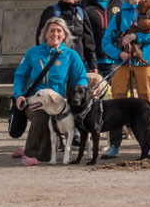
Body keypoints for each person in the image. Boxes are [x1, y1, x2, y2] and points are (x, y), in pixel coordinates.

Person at [11, 16, 91, 164]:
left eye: (59, 31)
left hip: (59, 104)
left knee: (46, 157)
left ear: (64, 34)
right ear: (45, 33)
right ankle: (28, 154)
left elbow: (81, 77)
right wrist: (19, 95)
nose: (55, 34)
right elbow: (20, 75)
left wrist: (79, 95)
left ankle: (28, 148)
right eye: (51, 30)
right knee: (41, 115)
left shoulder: (71, 55)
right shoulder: (33, 52)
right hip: (36, 101)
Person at [101, 0, 150, 109]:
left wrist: (136, 36)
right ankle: (119, 129)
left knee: (146, 100)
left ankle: (147, 129)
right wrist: (119, 54)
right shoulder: (120, 14)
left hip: (146, 61)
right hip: (122, 63)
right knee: (118, 98)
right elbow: (106, 42)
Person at [36, 0, 96, 71]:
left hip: (77, 63)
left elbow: (88, 42)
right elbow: (40, 37)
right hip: (55, 62)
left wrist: (93, 65)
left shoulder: (82, 13)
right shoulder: (51, 11)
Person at [81, 0, 117, 80]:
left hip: (113, 61)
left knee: (113, 94)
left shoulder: (119, 4)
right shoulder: (84, 4)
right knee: (91, 94)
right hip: (90, 62)